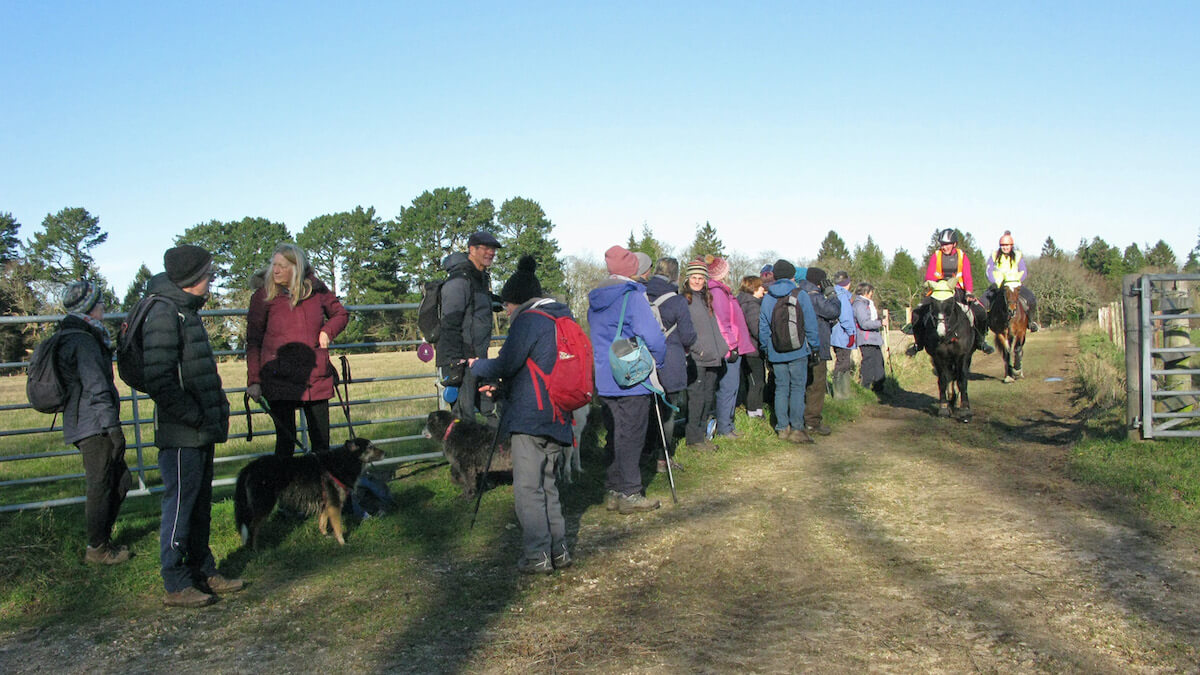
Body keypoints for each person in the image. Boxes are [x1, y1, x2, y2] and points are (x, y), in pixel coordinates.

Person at [142, 245, 241, 608]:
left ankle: (202, 570)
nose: (212, 277)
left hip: (198, 428)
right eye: (208, 272)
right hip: (183, 430)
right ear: (191, 278)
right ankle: (176, 580)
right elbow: (159, 378)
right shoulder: (166, 314)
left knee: (199, 504)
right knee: (181, 504)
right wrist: (194, 415)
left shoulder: (185, 310)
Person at [468, 256, 574, 574]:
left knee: (528, 489)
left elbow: (505, 363)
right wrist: (502, 391)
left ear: (517, 302)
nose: (508, 313)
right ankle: (559, 551)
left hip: (531, 419)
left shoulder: (529, 321)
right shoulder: (560, 319)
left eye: (508, 307)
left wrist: (477, 366)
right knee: (548, 485)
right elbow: (533, 371)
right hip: (558, 414)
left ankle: (536, 556)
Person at [245, 243, 349, 457]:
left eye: (282, 266)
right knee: (286, 443)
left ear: (296, 267)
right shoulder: (263, 296)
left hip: (315, 376)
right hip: (278, 378)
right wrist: (254, 381)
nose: (275, 270)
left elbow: (340, 314)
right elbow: (253, 341)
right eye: (274, 265)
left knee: (321, 443)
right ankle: (284, 488)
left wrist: (327, 332)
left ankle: (322, 489)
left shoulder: (317, 290)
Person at [56, 280, 131, 565]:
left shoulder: (75, 334)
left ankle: (101, 541)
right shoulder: (83, 340)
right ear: (89, 307)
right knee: (100, 483)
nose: (103, 308)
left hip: (86, 420)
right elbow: (96, 386)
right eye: (100, 304)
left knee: (119, 479)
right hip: (94, 423)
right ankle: (97, 549)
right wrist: (113, 428)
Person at [588, 245, 667, 514]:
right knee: (632, 435)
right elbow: (653, 336)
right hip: (632, 375)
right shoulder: (632, 297)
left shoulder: (595, 299)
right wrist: (660, 361)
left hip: (605, 376)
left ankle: (613, 488)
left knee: (615, 433)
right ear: (632, 269)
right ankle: (630, 493)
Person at [436, 231, 504, 427]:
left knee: (492, 407)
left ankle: (496, 454)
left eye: (493, 250)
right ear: (471, 249)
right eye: (486, 248)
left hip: (478, 358)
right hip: (463, 359)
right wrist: (456, 361)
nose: (491, 253)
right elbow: (450, 323)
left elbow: (479, 306)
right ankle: (466, 457)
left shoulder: (478, 279)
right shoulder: (459, 281)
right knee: (464, 419)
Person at [643, 257, 696, 472]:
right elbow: (688, 336)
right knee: (668, 412)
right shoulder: (677, 301)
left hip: (643, 361)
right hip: (670, 361)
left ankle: (643, 455)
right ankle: (663, 459)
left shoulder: (641, 294)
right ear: (675, 275)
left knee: (645, 410)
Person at [907, 229, 994, 356]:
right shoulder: (936, 256)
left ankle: (981, 341)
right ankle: (918, 344)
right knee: (916, 313)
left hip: (957, 291)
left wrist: (969, 292)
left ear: (954, 244)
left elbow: (967, 276)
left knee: (980, 312)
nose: (944, 247)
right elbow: (930, 276)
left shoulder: (962, 256)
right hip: (938, 291)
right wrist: (932, 285)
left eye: (947, 244)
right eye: (942, 244)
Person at [759, 259, 819, 444]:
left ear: (775, 276)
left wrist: (766, 349)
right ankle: (797, 429)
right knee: (797, 389)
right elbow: (810, 323)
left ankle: (781, 428)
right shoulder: (800, 295)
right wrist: (815, 346)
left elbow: (763, 327)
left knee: (781, 389)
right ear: (793, 275)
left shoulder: (768, 297)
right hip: (798, 349)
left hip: (776, 351)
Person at [706, 255, 756, 439]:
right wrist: (732, 346)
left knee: (732, 387)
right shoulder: (718, 293)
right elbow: (722, 322)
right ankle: (724, 428)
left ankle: (728, 423)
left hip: (734, 346)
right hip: (730, 349)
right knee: (728, 387)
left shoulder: (723, 291)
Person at [682, 260, 727, 451]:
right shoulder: (684, 299)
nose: (698, 281)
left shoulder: (705, 298)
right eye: (694, 278)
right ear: (687, 279)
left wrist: (723, 348)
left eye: (701, 278)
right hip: (696, 357)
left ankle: (702, 435)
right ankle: (693, 439)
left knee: (708, 397)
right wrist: (695, 348)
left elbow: (713, 327)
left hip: (714, 356)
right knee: (696, 398)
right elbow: (684, 329)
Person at [796, 267, 841, 436]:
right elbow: (834, 311)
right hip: (817, 347)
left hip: (799, 347)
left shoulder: (798, 294)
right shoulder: (814, 297)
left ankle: (797, 419)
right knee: (816, 385)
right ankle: (812, 422)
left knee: (801, 384)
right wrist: (832, 295)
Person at [985, 230, 1040, 332]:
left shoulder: (1018, 255)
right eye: (1003, 245)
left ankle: (1031, 322)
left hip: (1014, 285)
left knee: (1031, 298)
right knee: (982, 302)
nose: (1005, 247)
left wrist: (1016, 281)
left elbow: (1023, 271)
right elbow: (988, 270)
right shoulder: (994, 255)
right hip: (998, 285)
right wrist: (995, 281)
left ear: (1011, 245)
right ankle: (984, 326)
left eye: (1007, 245)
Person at [736, 275, 767, 418]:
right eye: (760, 286)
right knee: (757, 382)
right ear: (753, 288)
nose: (763, 289)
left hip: (746, 349)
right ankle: (754, 412)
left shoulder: (741, 302)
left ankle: (755, 410)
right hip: (753, 350)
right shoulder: (752, 305)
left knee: (753, 382)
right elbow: (756, 329)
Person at [828, 271, 858, 399]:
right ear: (847, 283)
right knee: (843, 362)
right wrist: (851, 333)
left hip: (835, 334)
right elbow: (846, 316)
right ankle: (841, 394)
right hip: (843, 334)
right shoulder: (842, 296)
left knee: (842, 361)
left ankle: (843, 393)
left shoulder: (832, 294)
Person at [853, 282, 887, 392]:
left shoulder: (867, 303)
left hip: (873, 338)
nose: (872, 294)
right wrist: (880, 323)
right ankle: (865, 388)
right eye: (871, 292)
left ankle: (878, 387)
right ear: (866, 292)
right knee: (868, 363)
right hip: (866, 339)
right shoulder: (860, 305)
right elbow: (864, 323)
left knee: (878, 363)